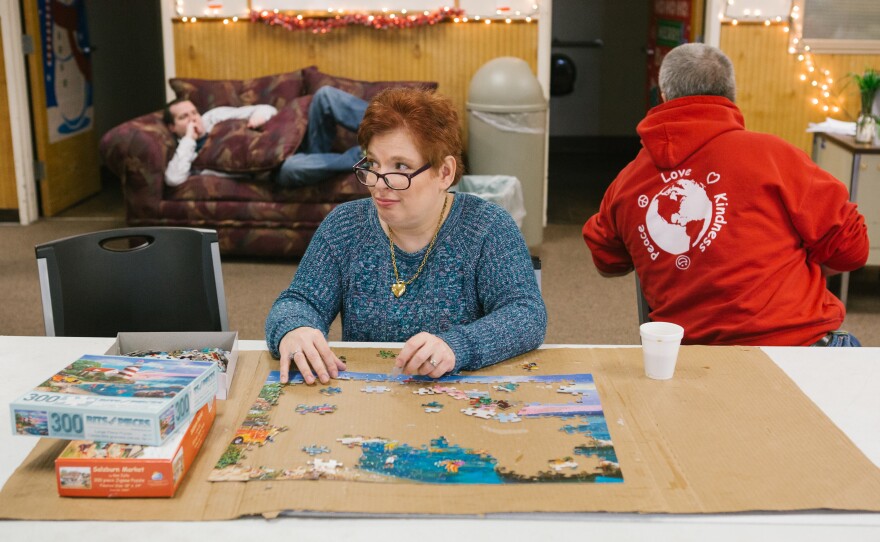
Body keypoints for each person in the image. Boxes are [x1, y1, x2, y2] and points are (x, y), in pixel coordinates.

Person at [582, 43, 868, 347]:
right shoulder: (775, 155)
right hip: (799, 347)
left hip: (690, 360)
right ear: (731, 97)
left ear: (664, 97)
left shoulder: (626, 184)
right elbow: (853, 249)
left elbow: (606, 260)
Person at [265, 87, 546, 384]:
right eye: (373, 164)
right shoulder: (344, 225)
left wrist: (457, 345)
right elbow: (298, 301)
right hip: (368, 411)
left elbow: (526, 314)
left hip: (458, 402)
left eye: (400, 167)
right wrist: (294, 328)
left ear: (445, 173)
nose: (378, 184)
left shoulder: (488, 227)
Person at [163, 86, 367, 188]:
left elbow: (265, 109)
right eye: (184, 118)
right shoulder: (188, 154)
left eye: (193, 113)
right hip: (276, 168)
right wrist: (190, 138)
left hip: (297, 143)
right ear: (172, 127)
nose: (193, 120)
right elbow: (173, 178)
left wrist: (258, 116)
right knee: (292, 167)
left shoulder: (213, 118)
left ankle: (389, 127)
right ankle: (365, 157)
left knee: (325, 94)